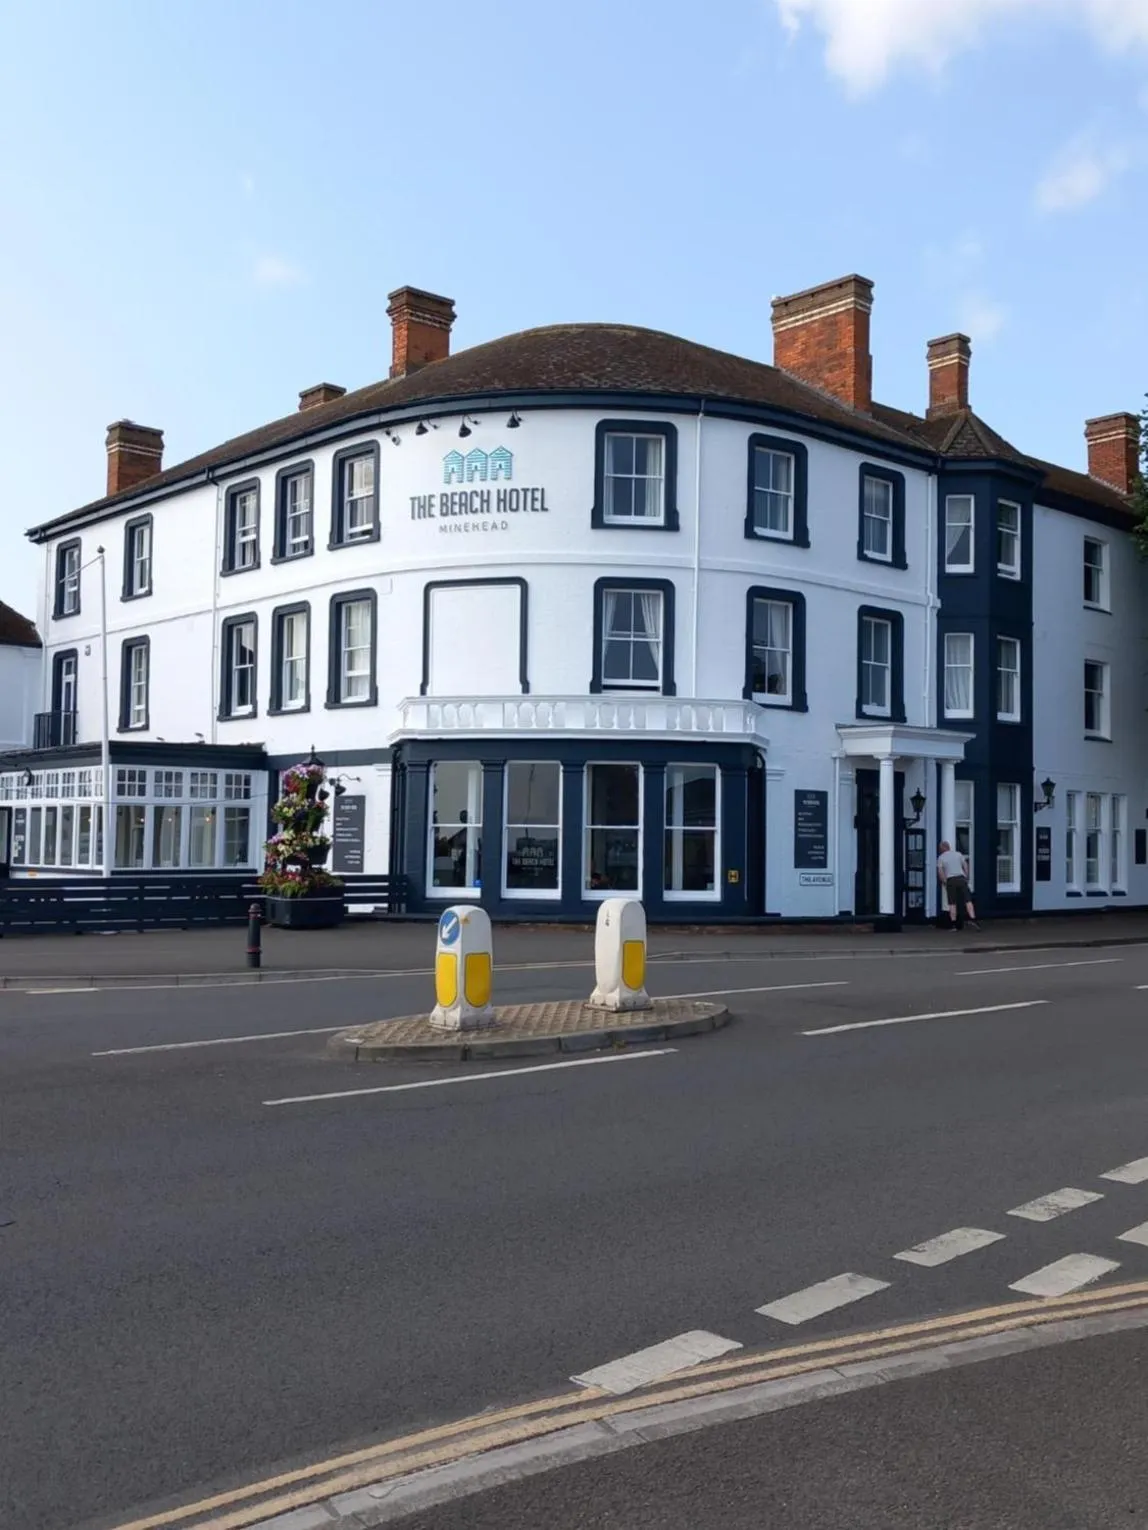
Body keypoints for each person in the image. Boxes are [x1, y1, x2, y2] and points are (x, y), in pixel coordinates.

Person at [937, 840, 979, 930]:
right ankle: (973, 919)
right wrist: (966, 876)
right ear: (949, 847)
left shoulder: (941, 857)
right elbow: (965, 865)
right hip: (961, 878)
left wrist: (944, 882)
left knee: (952, 903)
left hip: (951, 880)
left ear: (942, 849)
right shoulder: (958, 854)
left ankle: (954, 924)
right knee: (968, 900)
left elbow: (940, 872)